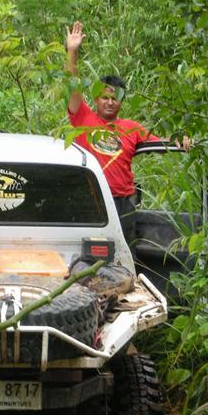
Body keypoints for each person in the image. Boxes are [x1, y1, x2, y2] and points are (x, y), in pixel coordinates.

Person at [66, 21, 190, 249]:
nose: (110, 102)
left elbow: (162, 143)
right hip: (91, 198)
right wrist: (72, 52)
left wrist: (182, 141)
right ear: (96, 99)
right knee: (91, 252)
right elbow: (73, 86)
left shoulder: (132, 127)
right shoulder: (83, 117)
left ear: (121, 101)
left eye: (115, 98)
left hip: (124, 202)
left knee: (125, 252)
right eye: (105, 98)